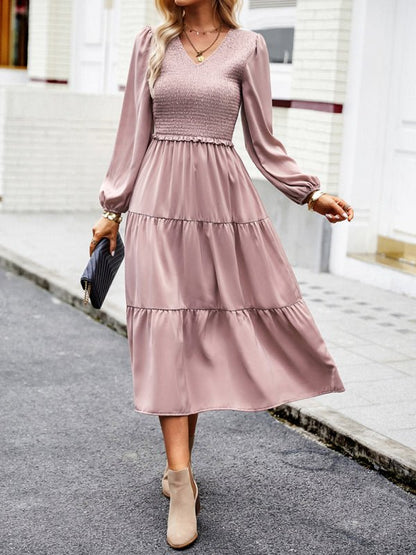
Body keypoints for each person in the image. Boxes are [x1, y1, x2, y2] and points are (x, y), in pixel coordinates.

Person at [89, 0, 354, 549]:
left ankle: (179, 466)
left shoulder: (247, 47)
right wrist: (113, 209)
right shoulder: (150, 43)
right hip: (160, 203)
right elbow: (132, 132)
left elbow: (262, 142)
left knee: (200, 333)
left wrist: (310, 192)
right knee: (167, 330)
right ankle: (181, 482)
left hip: (221, 207)